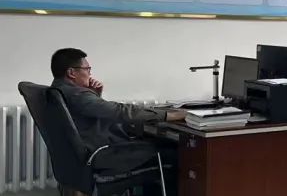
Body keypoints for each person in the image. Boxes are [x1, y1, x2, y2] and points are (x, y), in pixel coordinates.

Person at [49, 48, 185, 149]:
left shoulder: (57, 90)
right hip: (105, 152)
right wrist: (169, 115)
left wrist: (94, 94)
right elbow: (121, 112)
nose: (90, 73)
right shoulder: (77, 95)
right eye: (87, 69)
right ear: (71, 73)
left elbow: (92, 112)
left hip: (87, 152)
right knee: (171, 150)